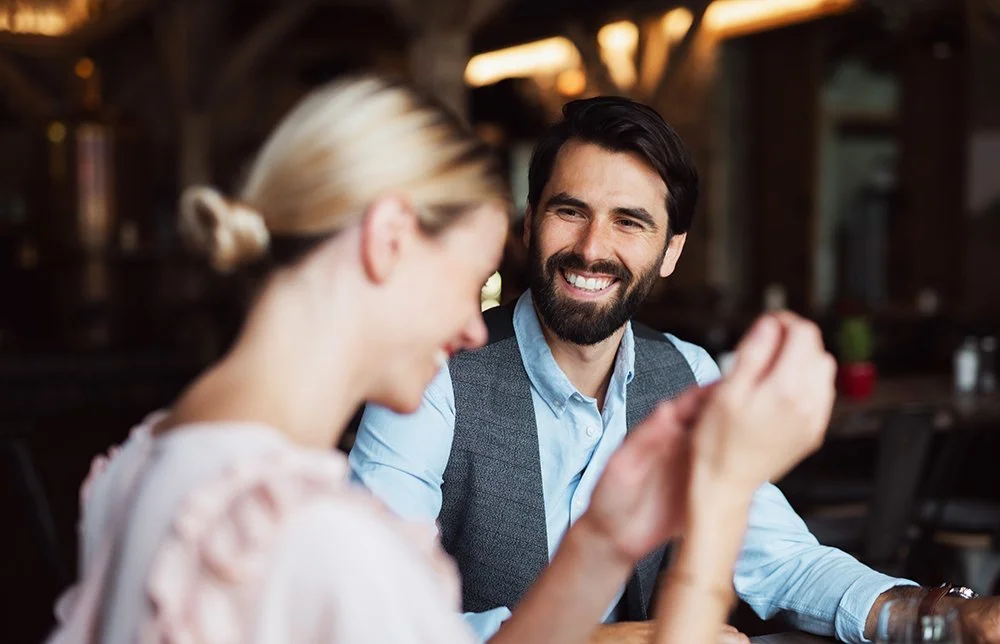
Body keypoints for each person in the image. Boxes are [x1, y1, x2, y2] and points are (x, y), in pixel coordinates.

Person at [47, 75, 831, 644]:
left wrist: (600, 544)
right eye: (469, 284)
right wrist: (722, 494)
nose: (471, 327)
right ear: (388, 242)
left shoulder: (152, 459)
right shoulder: (320, 538)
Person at [350, 95, 1000, 644]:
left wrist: (939, 616)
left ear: (670, 252)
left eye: (629, 222)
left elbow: (782, 562)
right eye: (569, 210)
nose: (591, 248)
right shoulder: (429, 375)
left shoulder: (686, 373)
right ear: (530, 223)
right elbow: (370, 621)